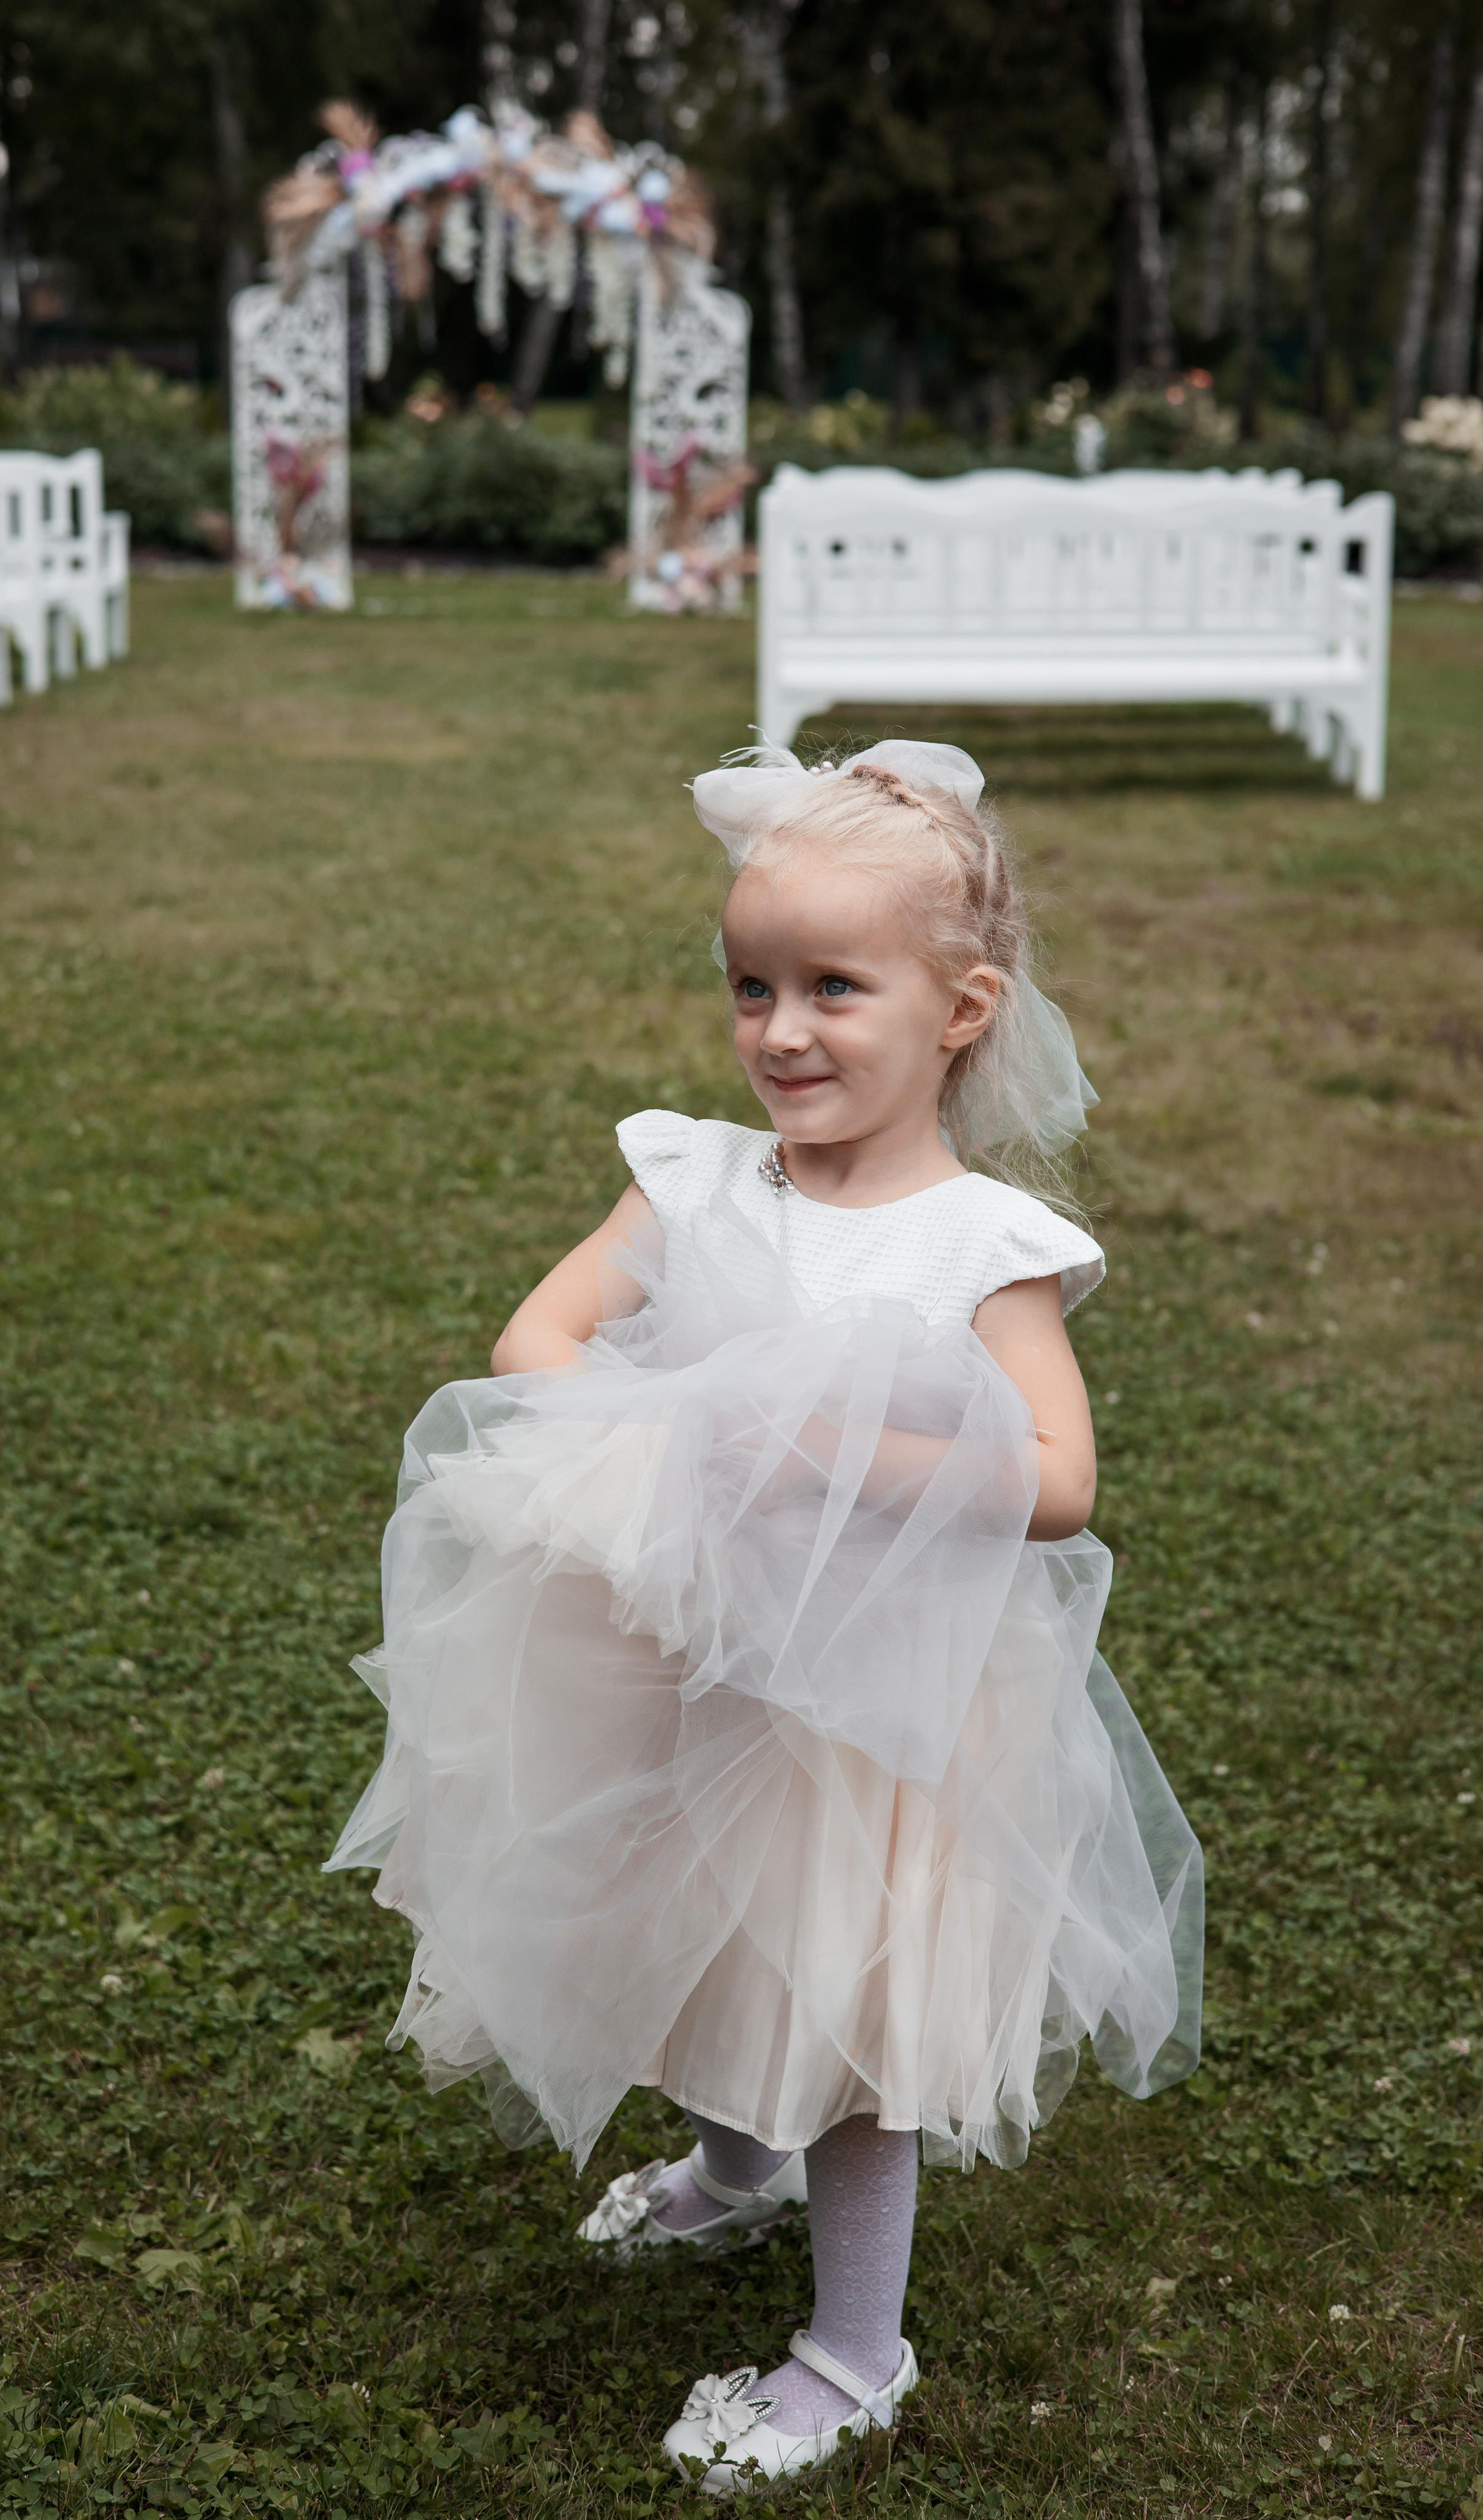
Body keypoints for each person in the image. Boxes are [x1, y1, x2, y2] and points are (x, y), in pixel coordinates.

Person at [325, 740, 1203, 2494]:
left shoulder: (976, 1244)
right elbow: (537, 1342)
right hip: (692, 1650)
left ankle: (856, 2347)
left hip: (883, 1712)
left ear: (963, 1009)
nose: (782, 1032)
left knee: (858, 2002)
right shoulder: (701, 1179)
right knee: (707, 1931)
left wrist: (839, 1449)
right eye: (752, 987)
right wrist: (676, 1435)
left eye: (833, 990)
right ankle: (736, 2169)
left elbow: (1058, 1476)